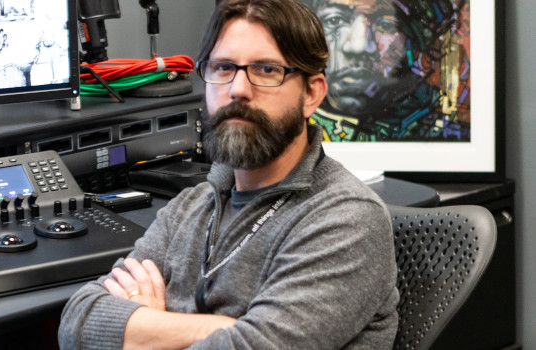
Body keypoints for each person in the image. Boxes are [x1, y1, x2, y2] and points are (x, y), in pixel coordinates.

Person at [57, 0, 399, 348]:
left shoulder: (347, 219)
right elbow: (77, 323)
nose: (237, 89)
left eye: (266, 70)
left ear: (311, 94)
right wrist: (219, 327)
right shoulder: (192, 206)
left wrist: (147, 327)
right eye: (223, 67)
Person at [299, 0, 468, 141]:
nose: (359, 47)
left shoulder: (445, 132)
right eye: (334, 20)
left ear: (416, 45)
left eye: (386, 25)